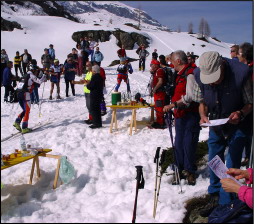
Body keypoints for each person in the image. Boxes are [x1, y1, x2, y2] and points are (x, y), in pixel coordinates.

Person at [193, 51, 252, 217]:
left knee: (232, 163)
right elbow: (202, 101)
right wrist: (202, 115)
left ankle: (226, 203)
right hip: (216, 124)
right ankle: (214, 194)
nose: (211, 84)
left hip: (239, 123)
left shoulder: (241, 73)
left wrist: (240, 113)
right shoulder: (198, 75)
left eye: (215, 78)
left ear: (222, 67)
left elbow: (250, 102)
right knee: (214, 159)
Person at [163, 50, 200, 185]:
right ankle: (179, 168)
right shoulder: (179, 74)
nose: (171, 63)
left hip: (190, 114)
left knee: (189, 143)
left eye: (172, 61)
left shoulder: (190, 74)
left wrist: (173, 104)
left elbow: (190, 97)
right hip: (180, 115)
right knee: (178, 143)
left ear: (178, 61)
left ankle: (190, 171)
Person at [13, 64, 46, 134]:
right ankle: (24, 127)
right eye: (36, 71)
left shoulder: (24, 75)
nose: (36, 72)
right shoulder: (32, 75)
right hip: (25, 94)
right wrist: (44, 76)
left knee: (25, 110)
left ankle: (17, 122)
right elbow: (39, 81)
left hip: (18, 93)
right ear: (33, 70)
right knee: (27, 110)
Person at [237, 42, 253, 167]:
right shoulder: (246, 68)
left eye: (239, 53)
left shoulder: (250, 70)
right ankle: (248, 156)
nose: (237, 55)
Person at [149, 59, 166, 129]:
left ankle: (161, 123)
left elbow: (160, 82)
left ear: (155, 65)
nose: (151, 66)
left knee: (159, 107)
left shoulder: (159, 71)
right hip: (157, 93)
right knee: (157, 106)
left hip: (160, 92)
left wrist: (154, 89)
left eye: (151, 65)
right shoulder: (156, 71)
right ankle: (159, 121)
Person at [85, 65, 104, 129]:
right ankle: (98, 123)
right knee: (97, 109)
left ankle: (96, 123)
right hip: (99, 95)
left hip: (95, 95)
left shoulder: (95, 77)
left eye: (93, 70)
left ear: (94, 71)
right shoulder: (100, 77)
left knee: (94, 109)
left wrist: (87, 85)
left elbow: (91, 86)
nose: (92, 71)